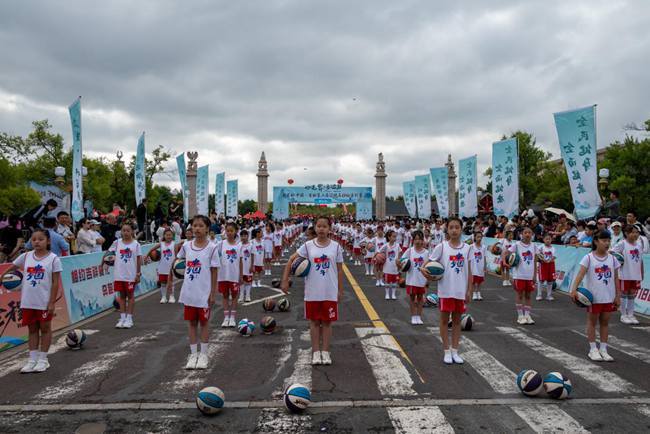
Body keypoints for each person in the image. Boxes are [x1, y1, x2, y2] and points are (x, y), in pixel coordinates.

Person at [282, 216, 343, 366]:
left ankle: (325, 352)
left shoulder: (336, 247)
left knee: (327, 322)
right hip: (312, 291)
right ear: (315, 228)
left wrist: (340, 290)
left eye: (324, 226)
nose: (321, 229)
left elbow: (340, 270)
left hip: (329, 291)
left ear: (329, 229)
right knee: (314, 322)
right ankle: (316, 351)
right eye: (319, 226)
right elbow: (291, 260)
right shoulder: (308, 246)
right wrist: (285, 280)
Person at [0, 229, 61, 373]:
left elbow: (55, 283)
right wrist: (2, 276)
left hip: (44, 301)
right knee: (32, 330)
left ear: (48, 241)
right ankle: (32, 360)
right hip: (28, 301)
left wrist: (51, 302)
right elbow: (13, 267)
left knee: (45, 329)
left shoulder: (53, 259)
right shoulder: (26, 256)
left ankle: (43, 360)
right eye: (34, 240)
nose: (37, 242)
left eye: (40, 239)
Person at [170, 215, 219, 370]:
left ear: (207, 229)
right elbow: (178, 261)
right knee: (191, 323)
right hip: (189, 292)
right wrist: (176, 270)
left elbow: (214, 271)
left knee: (204, 323)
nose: (197, 228)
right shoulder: (186, 246)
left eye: (200, 226)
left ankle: (203, 355)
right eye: (194, 226)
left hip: (204, 293)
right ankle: (193, 354)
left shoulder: (212, 248)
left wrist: (213, 293)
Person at [421, 217, 471, 365]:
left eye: (457, 227)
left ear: (461, 229)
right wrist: (424, 271)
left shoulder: (467, 248)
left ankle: (455, 351)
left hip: (460, 291)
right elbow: (427, 264)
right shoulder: (441, 247)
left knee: (457, 322)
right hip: (446, 290)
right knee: (444, 321)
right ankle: (446, 351)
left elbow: (470, 272)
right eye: (451, 227)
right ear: (447, 230)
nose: (454, 230)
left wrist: (469, 290)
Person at [570, 230, 620, 362]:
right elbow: (580, 274)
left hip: (608, 297)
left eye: (608, 240)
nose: (607, 243)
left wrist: (618, 296)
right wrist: (573, 290)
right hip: (594, 298)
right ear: (596, 242)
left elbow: (616, 278)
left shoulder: (613, 259)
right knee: (592, 322)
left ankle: (603, 349)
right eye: (604, 240)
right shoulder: (588, 258)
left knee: (605, 323)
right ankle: (593, 349)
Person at [104, 222, 141, 329]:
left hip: (130, 275)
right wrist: (104, 263)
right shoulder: (117, 243)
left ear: (132, 231)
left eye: (128, 230)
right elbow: (108, 253)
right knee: (121, 296)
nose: (125, 232)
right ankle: (122, 318)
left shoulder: (136, 244)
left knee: (130, 296)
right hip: (119, 274)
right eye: (123, 230)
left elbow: (138, 259)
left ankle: (129, 319)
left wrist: (138, 273)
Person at [612, 225, 644, 325]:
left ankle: (631, 314)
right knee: (624, 294)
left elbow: (641, 260)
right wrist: (619, 260)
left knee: (632, 294)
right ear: (626, 233)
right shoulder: (622, 244)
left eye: (637, 232)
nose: (635, 234)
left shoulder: (639, 245)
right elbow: (612, 253)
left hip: (636, 274)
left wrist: (642, 272)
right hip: (624, 274)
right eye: (633, 232)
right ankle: (623, 315)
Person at [508, 227, 538, 325]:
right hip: (519, 275)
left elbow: (535, 261)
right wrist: (508, 263)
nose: (527, 234)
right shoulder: (516, 245)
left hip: (529, 275)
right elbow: (507, 253)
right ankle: (520, 316)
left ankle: (527, 315)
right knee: (520, 295)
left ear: (532, 235)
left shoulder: (534, 246)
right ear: (522, 234)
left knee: (528, 295)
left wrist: (535, 275)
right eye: (525, 232)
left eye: (529, 232)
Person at [217, 222, 243, 328]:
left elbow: (240, 261)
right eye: (227, 231)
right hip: (223, 275)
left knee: (235, 296)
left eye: (231, 231)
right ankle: (226, 317)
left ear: (236, 231)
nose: (229, 233)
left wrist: (241, 275)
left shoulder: (239, 245)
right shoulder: (221, 244)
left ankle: (232, 317)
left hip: (234, 275)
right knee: (225, 295)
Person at [400, 230, 428, 325]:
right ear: (413, 240)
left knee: (420, 298)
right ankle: (413, 316)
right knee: (412, 298)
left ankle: (419, 316)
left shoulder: (426, 253)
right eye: (415, 239)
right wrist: (400, 264)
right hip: (412, 279)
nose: (417, 241)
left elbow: (428, 265)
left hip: (422, 279)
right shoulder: (410, 251)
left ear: (423, 240)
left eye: (419, 239)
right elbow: (402, 261)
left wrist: (427, 279)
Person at [151, 228, 176, 303]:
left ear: (172, 236)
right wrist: (147, 255)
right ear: (164, 236)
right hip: (162, 267)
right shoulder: (161, 244)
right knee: (163, 283)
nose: (168, 236)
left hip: (170, 267)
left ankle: (171, 296)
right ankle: (164, 297)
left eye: (170, 235)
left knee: (170, 282)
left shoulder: (174, 244)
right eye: (167, 235)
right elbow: (152, 249)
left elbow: (177, 255)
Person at [379, 230, 400, 299]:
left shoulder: (397, 245)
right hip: (387, 266)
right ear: (389, 237)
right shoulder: (386, 245)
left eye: (395, 236)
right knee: (387, 282)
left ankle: (393, 294)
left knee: (394, 282)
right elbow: (379, 252)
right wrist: (379, 257)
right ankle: (387, 294)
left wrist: (399, 261)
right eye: (393, 236)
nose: (395, 238)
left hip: (395, 266)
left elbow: (400, 253)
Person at [537, 233, 557, 301]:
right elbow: (538, 255)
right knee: (541, 280)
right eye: (546, 239)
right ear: (543, 240)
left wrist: (549, 260)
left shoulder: (553, 248)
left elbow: (554, 257)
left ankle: (549, 295)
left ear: (551, 240)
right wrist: (543, 260)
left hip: (551, 265)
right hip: (543, 265)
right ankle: (539, 295)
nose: (548, 240)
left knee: (550, 280)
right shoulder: (540, 247)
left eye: (549, 239)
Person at [470, 232, 487, 301]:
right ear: (475, 237)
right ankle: (474, 293)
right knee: (474, 281)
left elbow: (484, 257)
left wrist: (485, 266)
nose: (479, 238)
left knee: (480, 280)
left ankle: (479, 293)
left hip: (481, 266)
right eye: (478, 237)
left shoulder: (483, 247)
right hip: (474, 266)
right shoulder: (471, 246)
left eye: (480, 237)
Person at [239, 230, 254, 303]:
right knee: (241, 281)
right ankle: (241, 296)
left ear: (248, 236)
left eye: (245, 236)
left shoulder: (251, 245)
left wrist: (252, 266)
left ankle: (247, 296)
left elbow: (252, 256)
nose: (243, 237)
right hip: (241, 267)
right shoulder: (238, 245)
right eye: (242, 236)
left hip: (248, 266)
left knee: (248, 281)